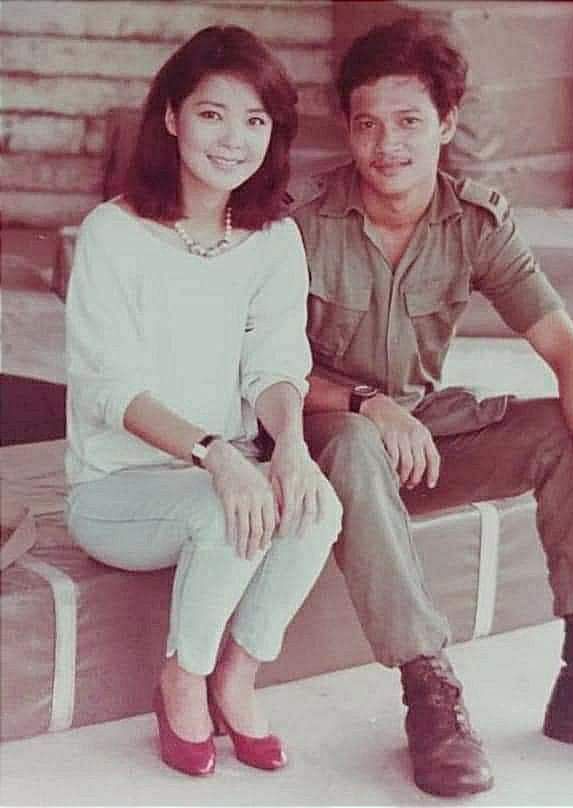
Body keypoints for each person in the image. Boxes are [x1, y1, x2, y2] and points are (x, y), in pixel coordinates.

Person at [292, 17, 573, 798]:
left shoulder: (474, 222)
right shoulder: (303, 220)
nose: (386, 145)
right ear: (345, 126)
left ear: (446, 122)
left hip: (420, 437)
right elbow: (259, 368)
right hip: (322, 441)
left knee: (560, 430)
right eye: (367, 124)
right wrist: (367, 403)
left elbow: (569, 352)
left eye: (409, 121)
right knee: (352, 440)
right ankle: (429, 691)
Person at [65, 25, 341, 777]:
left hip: (223, 468)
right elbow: (111, 389)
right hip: (118, 489)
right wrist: (215, 454)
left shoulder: (272, 239)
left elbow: (276, 364)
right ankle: (182, 678)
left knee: (315, 504)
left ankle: (237, 677)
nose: (234, 140)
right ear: (171, 117)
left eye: (256, 120)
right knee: (226, 509)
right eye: (213, 114)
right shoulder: (112, 235)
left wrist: (290, 449)